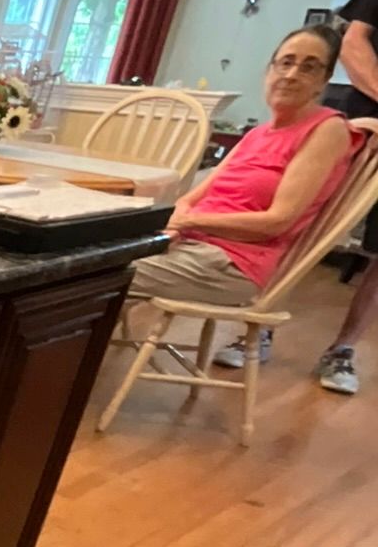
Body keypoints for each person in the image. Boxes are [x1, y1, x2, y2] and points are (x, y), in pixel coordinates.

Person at [126, 25, 356, 364]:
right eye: (285, 62)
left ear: (324, 81)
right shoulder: (258, 134)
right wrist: (176, 224)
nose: (292, 74)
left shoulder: (327, 129)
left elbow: (277, 221)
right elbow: (193, 196)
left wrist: (188, 220)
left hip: (233, 263)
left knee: (101, 272)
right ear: (269, 71)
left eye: (309, 67)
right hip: (193, 246)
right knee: (90, 255)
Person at [305, 0, 378, 391]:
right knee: (310, 221)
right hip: (367, 122)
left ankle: (342, 351)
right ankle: (256, 330)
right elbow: (353, 41)